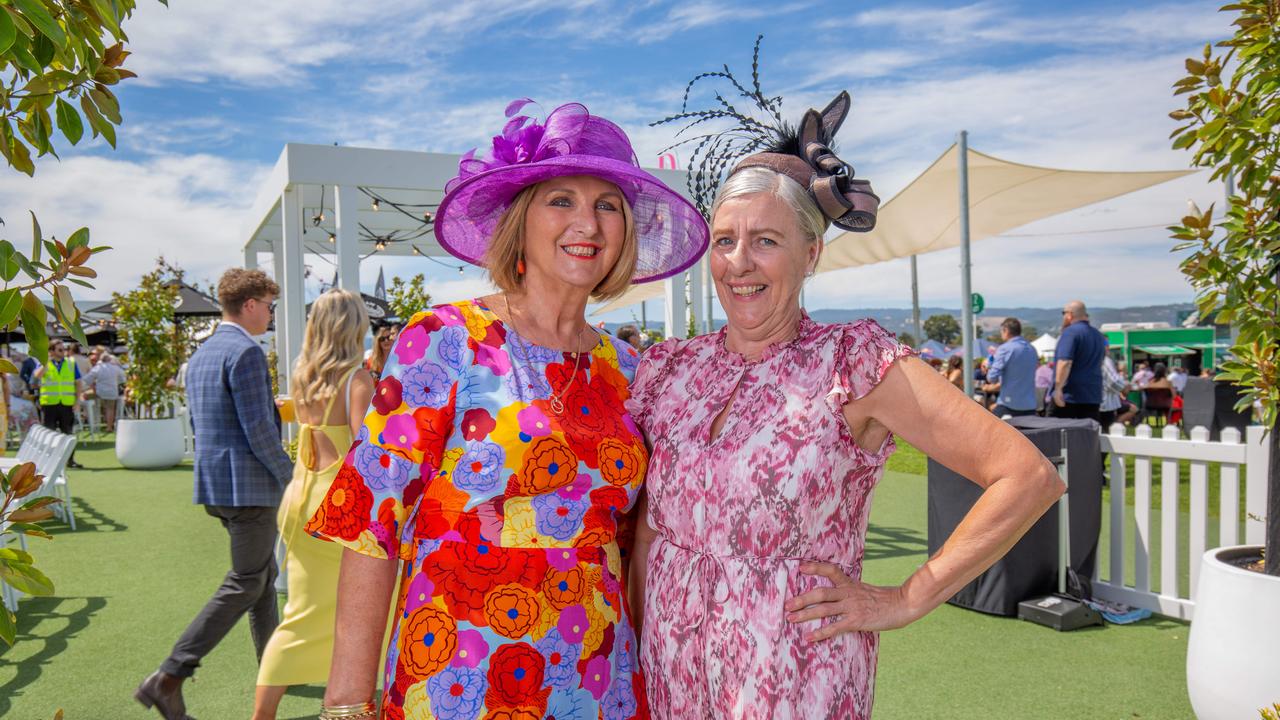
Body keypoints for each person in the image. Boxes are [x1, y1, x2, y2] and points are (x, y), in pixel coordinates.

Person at [627, 89, 1063, 718]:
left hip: (794, 672)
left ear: (812, 254)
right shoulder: (673, 368)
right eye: (725, 240)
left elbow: (1026, 477)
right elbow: (649, 529)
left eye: (766, 241)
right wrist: (640, 638)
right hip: (670, 664)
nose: (739, 262)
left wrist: (906, 597)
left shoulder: (853, 362)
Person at [309, 100, 706, 720]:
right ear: (520, 222)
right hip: (458, 678)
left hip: (599, 678)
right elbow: (372, 525)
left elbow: (636, 547)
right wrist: (345, 704)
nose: (589, 223)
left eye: (607, 205)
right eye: (561, 200)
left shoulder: (629, 371)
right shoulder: (442, 340)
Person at [135, 268, 294, 720]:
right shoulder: (245, 352)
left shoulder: (204, 353)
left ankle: (274, 665)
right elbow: (259, 430)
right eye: (268, 305)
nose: (270, 314)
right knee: (248, 581)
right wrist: (290, 475)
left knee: (261, 579)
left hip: (219, 483)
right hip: (248, 487)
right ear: (249, 305)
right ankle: (169, 676)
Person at [254, 289, 375, 720]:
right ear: (355, 325)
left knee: (301, 611)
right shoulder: (357, 381)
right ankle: (356, 703)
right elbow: (368, 453)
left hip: (300, 495)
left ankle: (263, 713)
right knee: (371, 605)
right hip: (339, 502)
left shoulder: (302, 374)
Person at [1050, 300, 1106, 421]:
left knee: (1055, 435)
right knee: (1087, 436)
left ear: (1069, 314)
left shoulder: (1070, 333)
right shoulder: (1098, 335)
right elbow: (1101, 362)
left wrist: (1058, 389)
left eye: (1063, 313)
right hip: (1092, 394)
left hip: (1070, 395)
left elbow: (1065, 362)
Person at [34, 340, 84, 468]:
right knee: (48, 434)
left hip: (67, 404)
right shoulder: (44, 362)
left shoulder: (71, 363)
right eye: (60, 350)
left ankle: (70, 461)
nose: (64, 352)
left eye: (64, 349)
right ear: (51, 351)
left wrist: (77, 401)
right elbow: (37, 376)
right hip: (49, 404)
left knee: (68, 433)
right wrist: (47, 361)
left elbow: (78, 383)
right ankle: (46, 461)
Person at [982, 317, 1039, 417]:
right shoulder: (1032, 349)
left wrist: (988, 366)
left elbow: (991, 378)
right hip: (1030, 406)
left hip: (1009, 405)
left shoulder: (1005, 349)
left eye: (1001, 331)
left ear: (1006, 331)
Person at [84, 348, 126, 433]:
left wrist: (93, 384)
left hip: (100, 392)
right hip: (112, 392)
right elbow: (123, 379)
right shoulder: (116, 368)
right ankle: (109, 427)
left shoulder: (98, 368)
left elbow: (87, 379)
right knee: (110, 408)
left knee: (93, 401)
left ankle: (93, 421)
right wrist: (117, 381)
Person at [1100, 349, 1138, 428]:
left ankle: (1116, 425)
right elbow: (1114, 382)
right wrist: (1124, 387)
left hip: (1098, 401)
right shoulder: (1104, 359)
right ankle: (1116, 425)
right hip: (1106, 403)